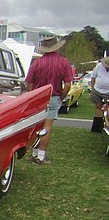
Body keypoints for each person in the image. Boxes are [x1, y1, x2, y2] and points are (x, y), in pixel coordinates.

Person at [25, 36, 73, 165]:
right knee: (47, 127)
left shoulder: (37, 63)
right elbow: (68, 85)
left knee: (37, 126)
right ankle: (41, 156)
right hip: (53, 96)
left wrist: (32, 95)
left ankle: (34, 154)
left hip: (38, 98)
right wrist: (61, 98)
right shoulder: (64, 62)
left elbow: (29, 83)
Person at [90, 57, 109, 132]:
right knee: (98, 106)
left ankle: (106, 125)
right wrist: (92, 88)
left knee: (107, 108)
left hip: (108, 92)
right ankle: (97, 127)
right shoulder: (98, 66)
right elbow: (93, 78)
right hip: (97, 90)